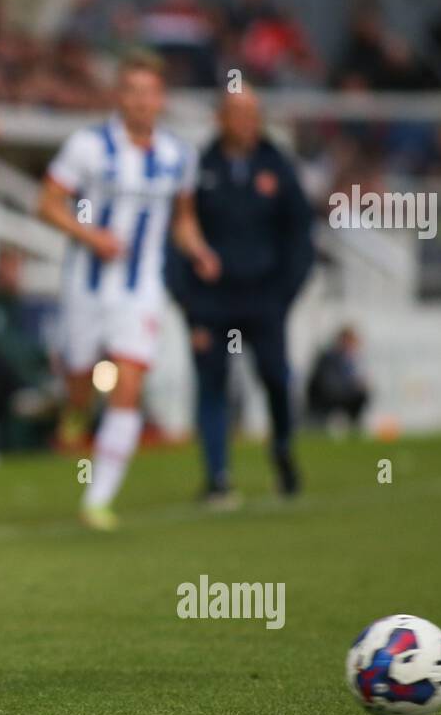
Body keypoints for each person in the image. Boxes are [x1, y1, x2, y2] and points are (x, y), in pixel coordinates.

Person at [37, 50, 208, 531]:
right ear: (119, 96)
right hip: (85, 285)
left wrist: (200, 250)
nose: (141, 101)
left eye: (149, 92)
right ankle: (74, 409)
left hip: (140, 289)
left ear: (161, 98)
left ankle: (99, 499)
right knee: (80, 376)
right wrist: (93, 237)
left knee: (130, 380)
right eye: (132, 91)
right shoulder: (88, 146)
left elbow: (184, 218)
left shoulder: (179, 156)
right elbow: (46, 204)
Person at [166, 86, 314, 507]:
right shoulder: (197, 167)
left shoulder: (278, 166)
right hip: (211, 303)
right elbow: (176, 231)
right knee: (211, 385)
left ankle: (282, 448)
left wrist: (287, 291)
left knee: (276, 379)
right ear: (221, 118)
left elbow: (300, 233)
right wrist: (187, 302)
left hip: (265, 299)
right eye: (237, 113)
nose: (246, 122)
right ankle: (217, 477)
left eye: (252, 113)